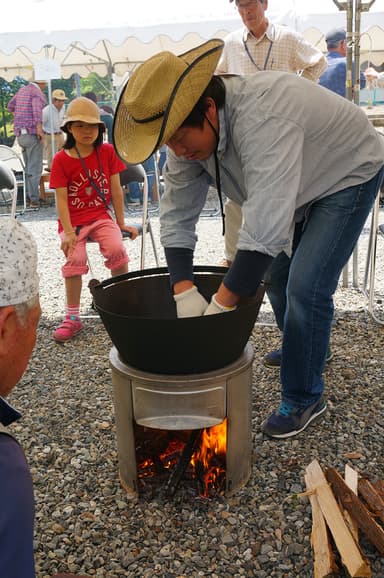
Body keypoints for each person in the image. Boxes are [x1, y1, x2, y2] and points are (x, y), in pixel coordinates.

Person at [113, 39, 384, 439]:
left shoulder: (263, 117)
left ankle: (304, 395)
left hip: (347, 172)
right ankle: (308, 345)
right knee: (275, 275)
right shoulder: (185, 139)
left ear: (208, 108)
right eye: (168, 141)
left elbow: (265, 226)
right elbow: (176, 215)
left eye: (180, 137)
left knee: (306, 287)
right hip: (300, 179)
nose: (178, 149)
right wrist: (183, 289)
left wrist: (221, 306)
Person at [216, 0, 327, 272]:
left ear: (264, 4)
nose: (246, 12)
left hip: (281, 130)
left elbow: (318, 62)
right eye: (240, 6)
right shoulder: (231, 43)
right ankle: (232, 258)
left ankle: (282, 257)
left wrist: (297, 92)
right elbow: (217, 79)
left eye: (250, 4)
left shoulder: (286, 37)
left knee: (282, 195)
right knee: (235, 197)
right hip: (243, 130)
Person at [49, 97, 139, 343]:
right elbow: (62, 201)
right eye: (79, 126)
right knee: (74, 258)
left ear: (101, 129)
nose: (86, 131)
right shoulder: (61, 159)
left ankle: (122, 305)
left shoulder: (107, 152)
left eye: (92, 126)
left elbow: (117, 190)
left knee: (116, 248)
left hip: (101, 217)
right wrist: (68, 232)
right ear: (68, 128)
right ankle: (72, 317)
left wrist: (120, 223)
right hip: (74, 222)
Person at [7, 76, 47, 208]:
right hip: (31, 133)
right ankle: (34, 199)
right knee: (35, 169)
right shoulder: (37, 93)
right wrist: (40, 130)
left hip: (20, 134)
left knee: (28, 167)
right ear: (40, 82)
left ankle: (29, 198)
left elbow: (10, 106)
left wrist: (19, 117)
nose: (46, 85)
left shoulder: (22, 90)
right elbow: (37, 111)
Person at [319, 28, 366, 97]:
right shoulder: (348, 63)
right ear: (343, 43)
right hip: (339, 107)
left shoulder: (318, 63)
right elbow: (361, 83)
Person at [42, 88, 67, 170]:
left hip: (60, 134)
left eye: (63, 100)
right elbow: (40, 123)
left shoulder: (63, 108)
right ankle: (52, 172)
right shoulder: (46, 111)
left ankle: (62, 169)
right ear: (53, 100)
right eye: (59, 101)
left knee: (64, 154)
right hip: (50, 135)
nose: (61, 103)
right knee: (52, 157)